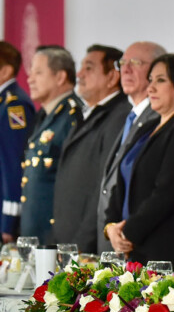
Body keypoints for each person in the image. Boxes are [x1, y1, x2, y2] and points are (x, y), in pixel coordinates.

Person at [104, 54, 174, 268]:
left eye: (160, 80)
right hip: (130, 248)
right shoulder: (146, 128)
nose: (150, 88)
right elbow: (121, 182)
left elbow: (167, 192)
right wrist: (111, 227)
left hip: (159, 250)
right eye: (150, 80)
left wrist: (128, 232)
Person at [52, 45, 130, 252]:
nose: (79, 74)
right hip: (69, 238)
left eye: (89, 68)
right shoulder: (90, 112)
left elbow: (102, 186)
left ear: (113, 77)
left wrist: (81, 244)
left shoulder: (119, 116)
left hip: (88, 245)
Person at [96, 41, 165, 253]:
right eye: (123, 62)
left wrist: (126, 231)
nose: (125, 69)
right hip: (113, 239)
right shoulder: (131, 116)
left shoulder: (159, 118)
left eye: (135, 62)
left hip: (135, 242)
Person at [20, 46, 82, 242]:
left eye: (38, 72)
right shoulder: (44, 115)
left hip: (55, 235)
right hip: (35, 230)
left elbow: (73, 181)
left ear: (60, 77)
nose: (30, 79)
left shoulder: (73, 116)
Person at [0, 41, 34, 242]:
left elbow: (14, 164)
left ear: (5, 71)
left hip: (5, 215)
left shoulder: (15, 106)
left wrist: (9, 221)